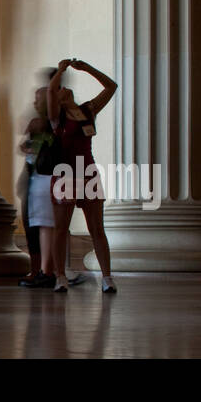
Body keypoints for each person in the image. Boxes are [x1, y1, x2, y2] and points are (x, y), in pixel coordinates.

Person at [47, 58, 119, 294]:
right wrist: (61, 69)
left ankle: (107, 277)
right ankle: (60, 276)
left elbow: (111, 87)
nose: (61, 89)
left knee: (97, 228)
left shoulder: (88, 110)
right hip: (65, 175)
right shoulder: (57, 118)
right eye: (59, 90)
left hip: (88, 173)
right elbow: (50, 89)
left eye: (63, 87)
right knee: (61, 228)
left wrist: (87, 68)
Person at [17, 77, 58, 288]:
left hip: (47, 179)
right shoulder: (35, 123)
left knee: (46, 225)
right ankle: (36, 270)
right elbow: (24, 145)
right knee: (31, 225)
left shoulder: (54, 123)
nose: (35, 102)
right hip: (32, 179)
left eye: (39, 98)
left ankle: (47, 271)